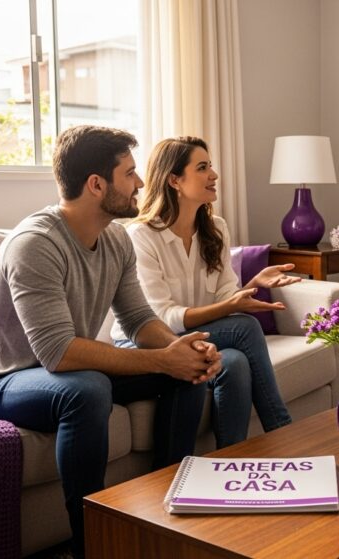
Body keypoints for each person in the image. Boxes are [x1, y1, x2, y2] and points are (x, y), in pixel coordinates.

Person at [0, 125, 223, 557]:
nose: (141, 183)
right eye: (130, 174)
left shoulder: (116, 238)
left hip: (68, 370)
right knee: (87, 389)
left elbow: (139, 318)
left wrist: (181, 351)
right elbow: (59, 353)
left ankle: (167, 519)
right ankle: (92, 545)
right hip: (0, 382)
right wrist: (162, 361)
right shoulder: (35, 244)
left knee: (185, 373)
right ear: (97, 185)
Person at [112, 135, 294, 448]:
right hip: (142, 341)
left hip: (199, 334)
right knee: (246, 327)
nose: (214, 175)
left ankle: (230, 462)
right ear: (174, 180)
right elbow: (163, 319)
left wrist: (251, 286)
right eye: (202, 167)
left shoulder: (216, 228)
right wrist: (231, 306)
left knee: (235, 361)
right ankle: (285, 433)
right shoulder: (141, 236)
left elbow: (226, 298)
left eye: (211, 166)